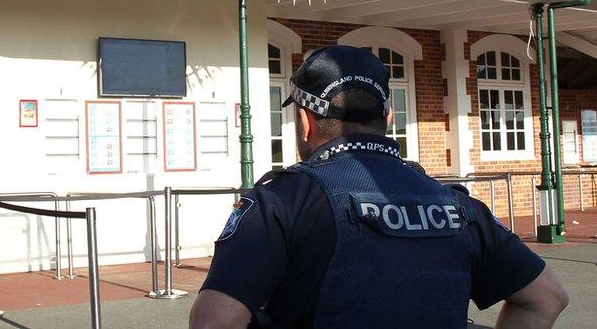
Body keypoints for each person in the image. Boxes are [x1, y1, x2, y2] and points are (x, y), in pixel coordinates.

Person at [190, 46, 568, 329]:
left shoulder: (280, 202)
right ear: (387, 117)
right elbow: (546, 298)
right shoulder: (458, 206)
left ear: (306, 122)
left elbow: (215, 323)